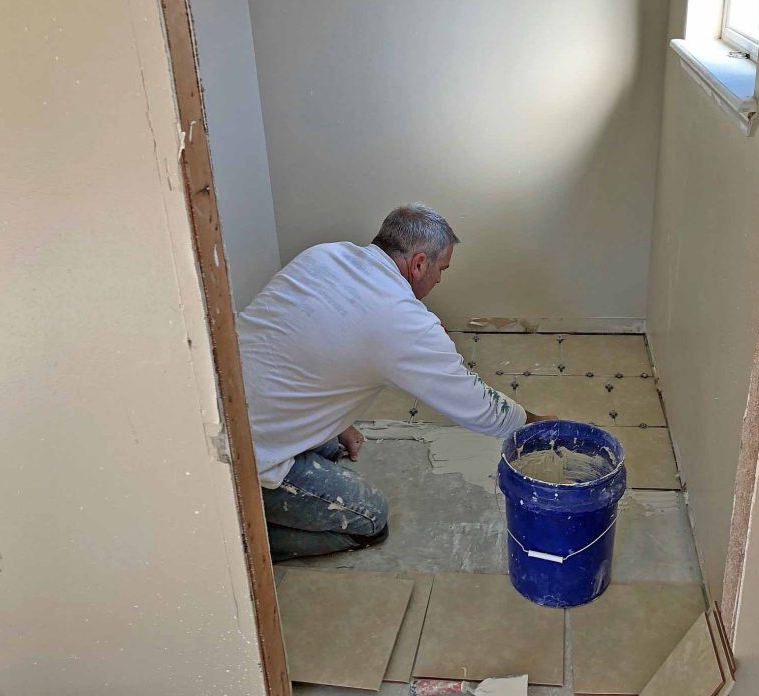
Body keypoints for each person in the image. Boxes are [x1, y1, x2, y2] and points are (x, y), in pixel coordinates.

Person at [237, 203, 553, 561]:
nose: (439, 280)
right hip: (244, 459)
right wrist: (534, 425)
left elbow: (301, 352)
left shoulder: (324, 256)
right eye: (441, 269)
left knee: (329, 449)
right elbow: (478, 407)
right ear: (419, 263)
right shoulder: (402, 321)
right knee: (369, 520)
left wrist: (339, 424)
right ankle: (235, 544)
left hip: (225, 405)